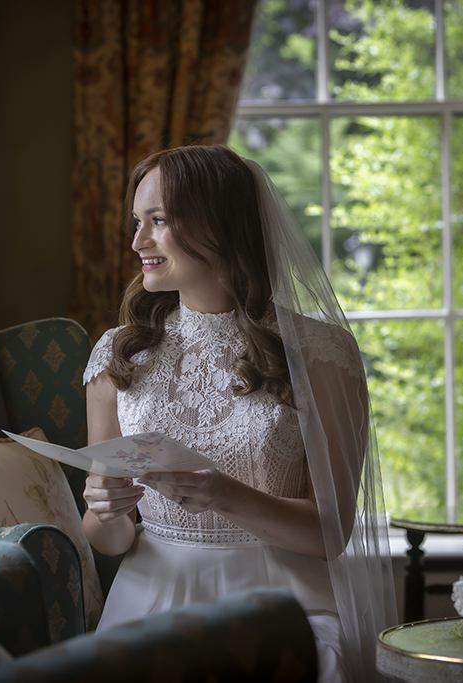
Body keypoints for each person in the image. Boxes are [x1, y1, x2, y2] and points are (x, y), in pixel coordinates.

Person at [81, 144, 396, 683]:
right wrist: (103, 510)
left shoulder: (323, 354)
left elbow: (331, 533)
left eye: (158, 221)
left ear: (218, 226)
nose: (137, 242)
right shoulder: (118, 356)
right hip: (151, 595)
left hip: (283, 601)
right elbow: (110, 539)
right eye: (137, 222)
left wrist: (222, 494)